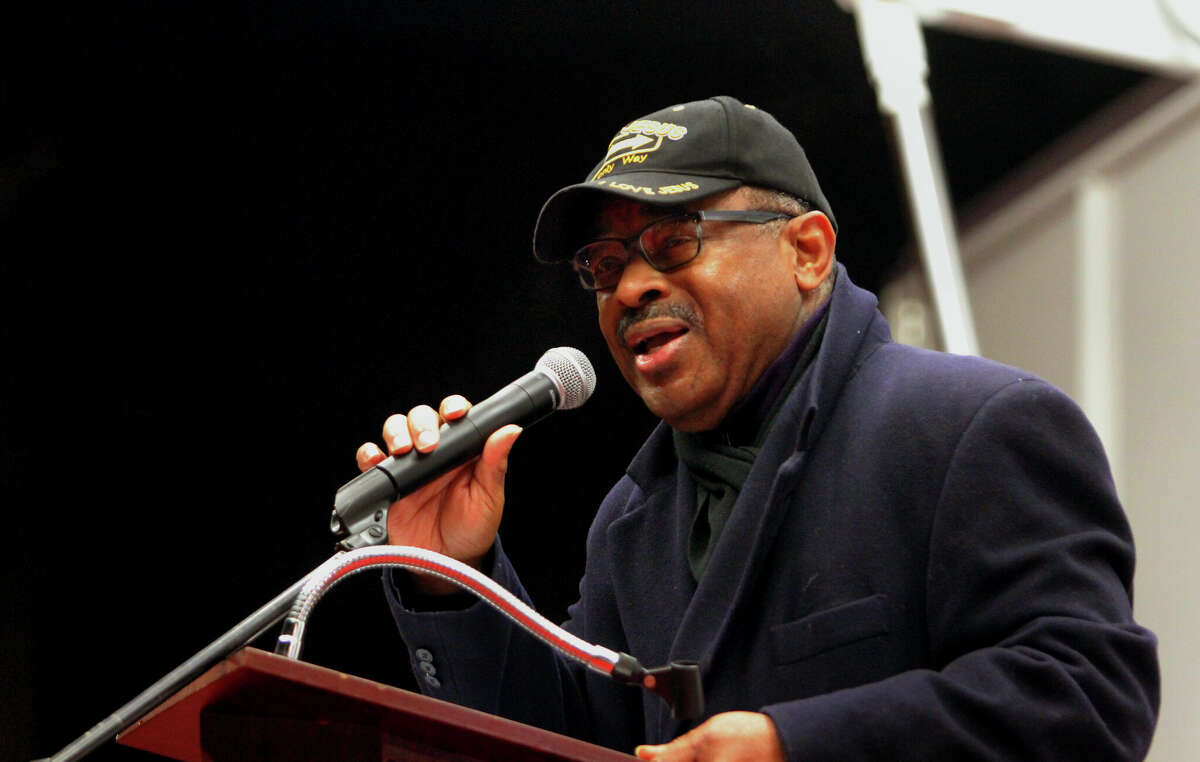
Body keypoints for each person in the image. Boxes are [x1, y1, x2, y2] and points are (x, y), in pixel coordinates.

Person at [355, 96, 1159, 760]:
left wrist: (792, 746)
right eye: (603, 267)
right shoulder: (629, 525)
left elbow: (1088, 695)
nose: (630, 286)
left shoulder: (970, 427)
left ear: (806, 252)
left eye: (673, 242)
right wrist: (447, 575)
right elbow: (569, 742)